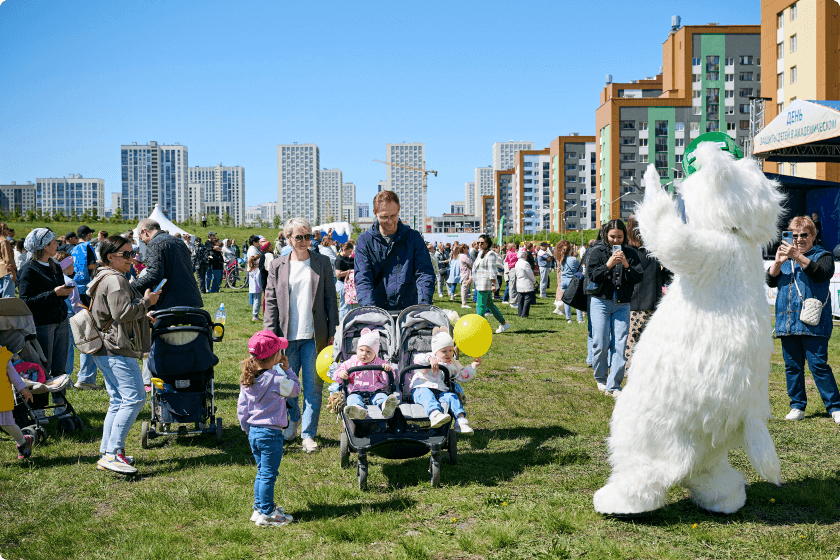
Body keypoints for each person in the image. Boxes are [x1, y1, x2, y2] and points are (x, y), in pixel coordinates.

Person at [87, 235, 161, 474]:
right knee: (135, 398)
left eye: (133, 253)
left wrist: (142, 315)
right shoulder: (116, 280)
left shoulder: (103, 276)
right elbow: (122, 314)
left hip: (105, 348)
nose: (132, 258)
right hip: (117, 349)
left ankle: (107, 451)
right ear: (110, 257)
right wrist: (147, 303)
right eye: (126, 255)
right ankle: (113, 453)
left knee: (118, 400)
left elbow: (116, 313)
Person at [264, 218, 338, 454]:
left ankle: (308, 434)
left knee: (313, 388)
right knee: (287, 386)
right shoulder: (277, 265)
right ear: (288, 239)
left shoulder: (323, 262)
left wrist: (333, 332)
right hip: (286, 337)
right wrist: (269, 335)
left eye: (309, 236)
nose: (305, 241)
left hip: (315, 336)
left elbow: (330, 301)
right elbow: (272, 302)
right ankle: (293, 417)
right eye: (299, 237)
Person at [767, 216, 840, 424]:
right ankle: (797, 405)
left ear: (813, 236)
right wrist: (779, 263)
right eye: (795, 235)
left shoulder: (823, 255)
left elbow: (821, 274)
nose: (798, 239)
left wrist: (797, 256)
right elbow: (770, 280)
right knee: (792, 367)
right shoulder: (785, 257)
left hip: (813, 322)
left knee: (818, 365)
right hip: (787, 321)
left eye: (804, 235)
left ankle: (835, 407)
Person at [237, 330, 299, 527]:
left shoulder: (248, 379)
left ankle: (259, 508)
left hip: (254, 432)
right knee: (268, 474)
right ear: (275, 357)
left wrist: (246, 428)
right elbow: (296, 390)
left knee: (262, 471)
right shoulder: (277, 380)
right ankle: (267, 513)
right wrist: (288, 370)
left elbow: (242, 408)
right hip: (271, 434)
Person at [585, 219, 643, 397]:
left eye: (620, 236)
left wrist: (626, 264)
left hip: (622, 304)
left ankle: (614, 384)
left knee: (620, 343)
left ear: (625, 236)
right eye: (612, 237)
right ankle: (601, 377)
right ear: (605, 235)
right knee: (601, 342)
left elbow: (638, 277)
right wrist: (609, 264)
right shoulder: (596, 252)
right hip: (600, 301)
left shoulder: (631, 253)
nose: (616, 240)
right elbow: (593, 275)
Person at [18, 228, 73, 411]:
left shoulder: (54, 265)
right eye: (53, 242)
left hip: (60, 320)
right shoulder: (28, 270)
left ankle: (60, 406)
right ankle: (39, 409)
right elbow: (25, 302)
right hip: (42, 324)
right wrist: (53, 293)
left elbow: (55, 294)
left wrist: (63, 292)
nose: (57, 244)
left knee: (60, 365)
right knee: (42, 368)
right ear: (43, 247)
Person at [354, 191, 435, 311]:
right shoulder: (364, 241)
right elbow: (363, 278)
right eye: (384, 217)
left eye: (393, 216)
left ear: (399, 210)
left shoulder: (413, 238)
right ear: (375, 213)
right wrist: (370, 311)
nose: (389, 221)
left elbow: (424, 273)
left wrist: (423, 306)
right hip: (378, 310)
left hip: (409, 309)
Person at [624, 216, 672, 371]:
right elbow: (669, 273)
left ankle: (628, 369)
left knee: (631, 338)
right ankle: (646, 370)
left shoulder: (626, 251)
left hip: (631, 302)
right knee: (650, 339)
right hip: (653, 300)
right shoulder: (654, 251)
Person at [411, 327, 478, 434]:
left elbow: (462, 376)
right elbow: (417, 359)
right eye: (444, 351)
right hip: (422, 388)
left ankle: (461, 422)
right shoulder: (430, 357)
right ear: (436, 351)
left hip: (442, 391)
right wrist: (430, 359)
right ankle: (435, 415)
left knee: (452, 397)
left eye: (451, 350)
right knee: (426, 396)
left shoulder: (453, 363)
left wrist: (472, 366)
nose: (448, 354)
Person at [333, 327, 399, 420]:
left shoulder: (379, 363)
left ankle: (386, 407)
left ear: (375, 353)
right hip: (356, 391)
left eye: (368, 352)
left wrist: (387, 370)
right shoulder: (351, 362)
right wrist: (341, 374)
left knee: (382, 397)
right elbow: (337, 374)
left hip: (375, 391)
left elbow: (387, 380)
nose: (364, 354)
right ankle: (357, 410)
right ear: (357, 350)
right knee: (352, 399)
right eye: (361, 350)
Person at [472, 234, 511, 334]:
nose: (479, 244)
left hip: (485, 285)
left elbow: (492, 271)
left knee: (480, 307)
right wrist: (470, 280)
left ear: (487, 243)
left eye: (482, 243)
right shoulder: (480, 254)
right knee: (490, 306)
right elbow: (476, 267)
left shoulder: (491, 254)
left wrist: (493, 285)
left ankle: (478, 330)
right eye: (478, 242)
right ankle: (503, 324)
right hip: (479, 283)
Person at [1, 348, 35, 459]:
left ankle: (23, 442)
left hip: (2, 396)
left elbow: (13, 374)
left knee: (7, 424)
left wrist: (23, 389)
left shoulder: (2, 355)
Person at [555, 240, 585, 323]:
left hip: (563, 281)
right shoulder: (573, 259)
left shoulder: (562, 259)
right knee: (577, 300)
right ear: (570, 250)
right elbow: (580, 269)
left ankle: (569, 318)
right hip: (571, 281)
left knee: (567, 301)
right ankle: (580, 319)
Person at [334, 241, 357, 322]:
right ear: (344, 249)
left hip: (347, 284)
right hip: (342, 284)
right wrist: (349, 272)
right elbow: (338, 273)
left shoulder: (347, 257)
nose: (351, 253)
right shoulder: (339, 260)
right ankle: (343, 324)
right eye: (349, 251)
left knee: (349, 306)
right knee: (344, 306)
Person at [513, 249, 536, 318]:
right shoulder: (525, 263)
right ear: (524, 256)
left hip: (519, 282)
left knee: (520, 299)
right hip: (526, 282)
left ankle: (520, 313)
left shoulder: (517, 263)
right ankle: (524, 314)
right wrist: (534, 281)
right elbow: (530, 273)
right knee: (527, 299)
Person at [0, 223, 17, 298]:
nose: (8, 230)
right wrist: (12, 271)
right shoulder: (4, 241)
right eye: (7, 228)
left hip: (1, 271)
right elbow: (8, 258)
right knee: (8, 297)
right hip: (6, 270)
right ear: (2, 230)